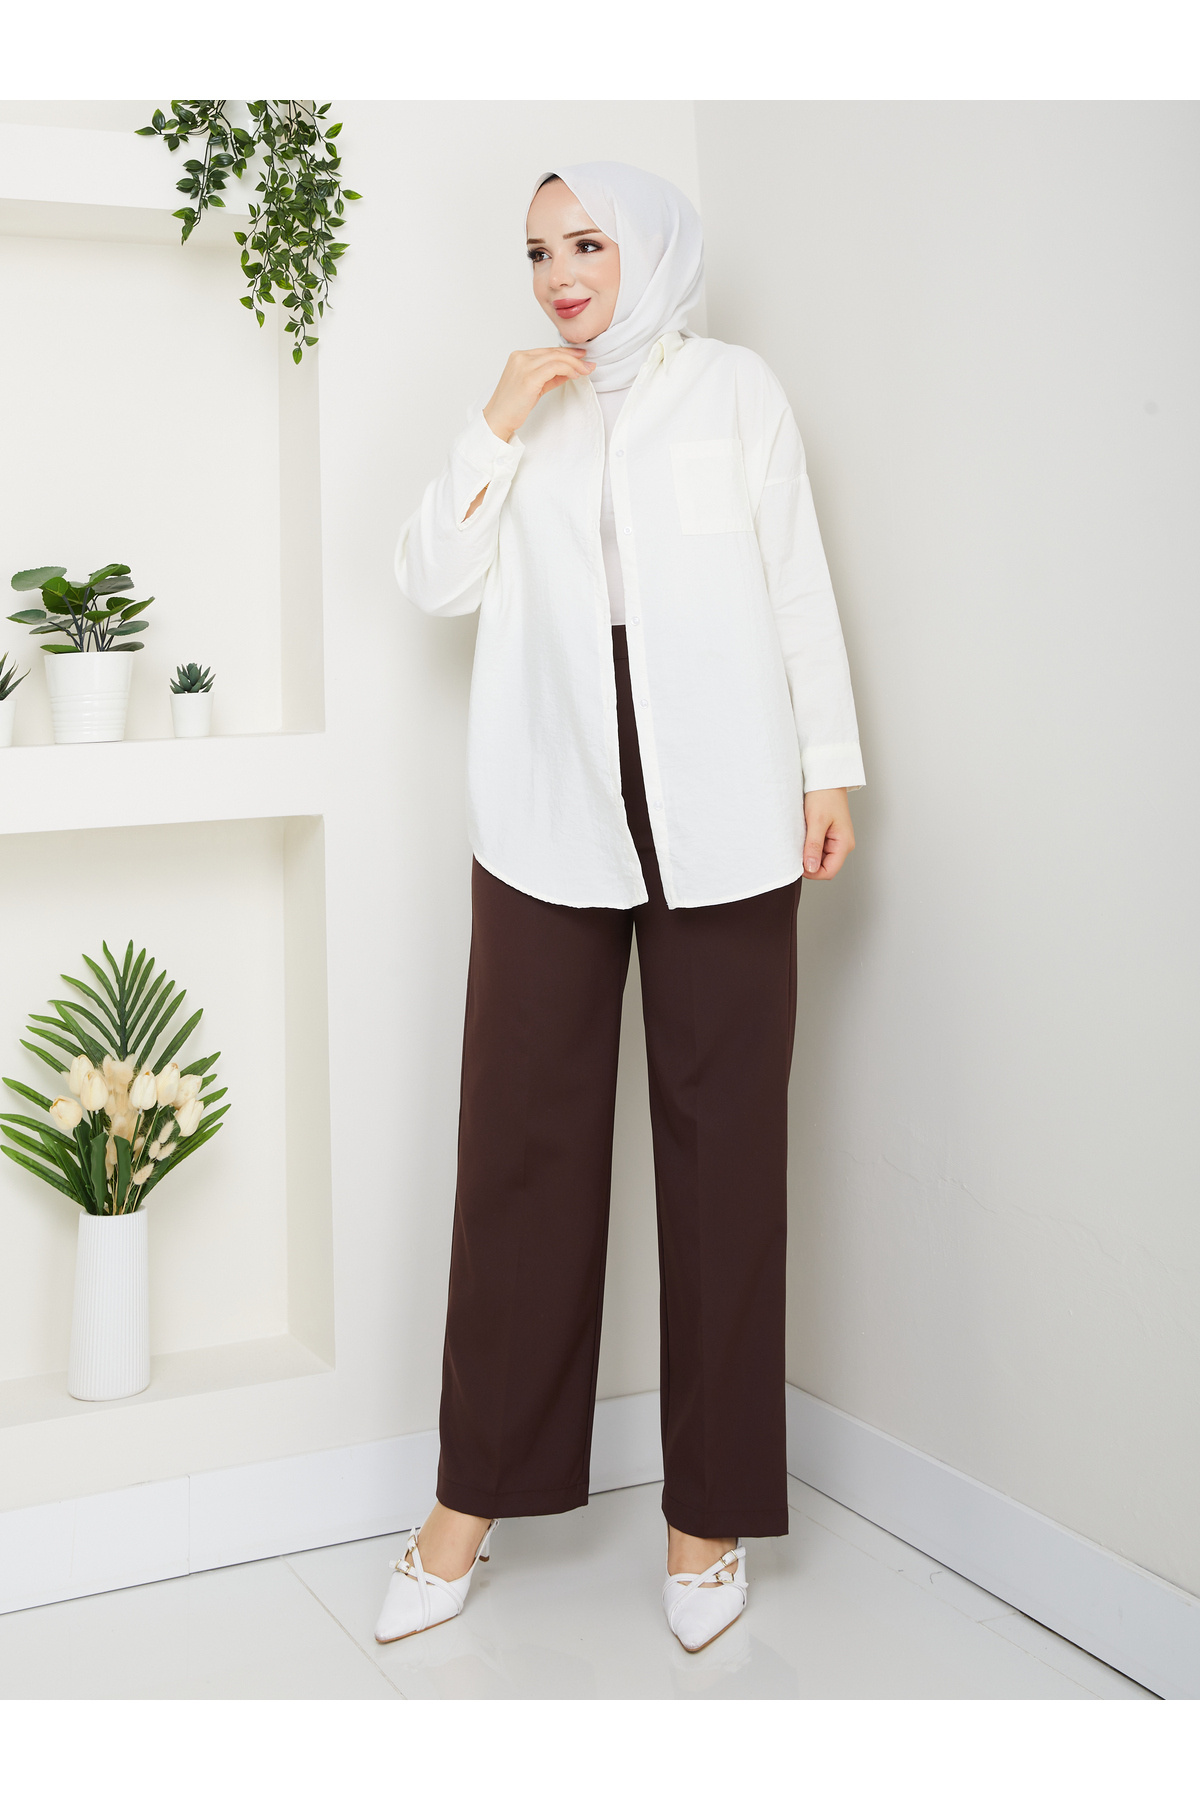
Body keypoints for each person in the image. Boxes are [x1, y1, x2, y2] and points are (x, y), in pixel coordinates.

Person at [376, 160, 865, 1655]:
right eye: (537, 251)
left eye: (585, 243)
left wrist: (830, 768)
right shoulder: (526, 407)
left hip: (726, 799)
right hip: (549, 800)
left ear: (645, 249)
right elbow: (430, 581)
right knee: (518, 1151)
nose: (560, 275)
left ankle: (707, 1517)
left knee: (728, 1160)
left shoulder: (735, 391)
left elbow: (795, 582)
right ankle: (467, 1501)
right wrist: (494, 421)